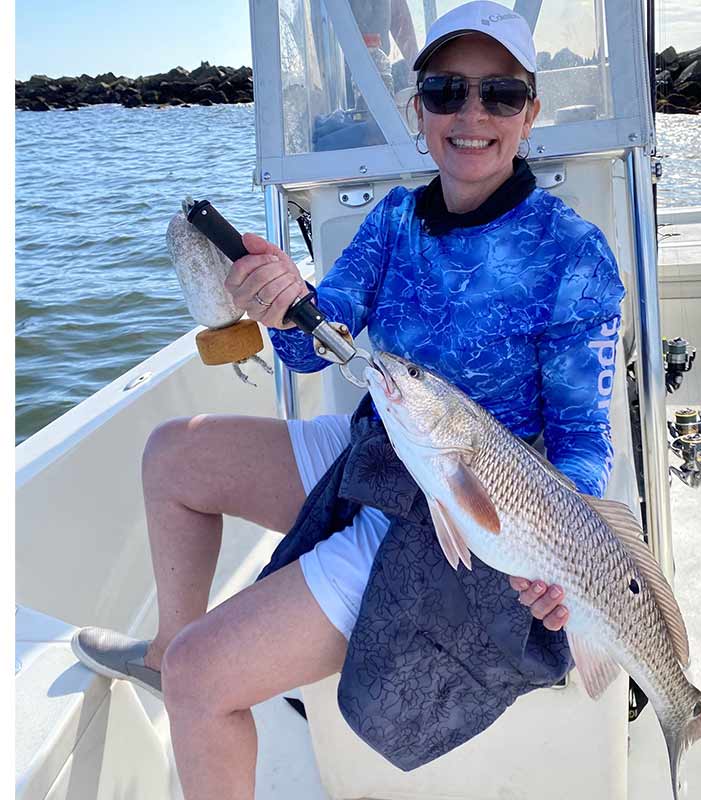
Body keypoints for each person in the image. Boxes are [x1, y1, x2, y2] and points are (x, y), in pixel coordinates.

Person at [71, 3, 624, 798]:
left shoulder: (574, 254)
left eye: (499, 94)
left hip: (467, 509)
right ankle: (163, 654)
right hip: (383, 445)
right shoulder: (396, 219)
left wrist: (559, 558)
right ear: (419, 109)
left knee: (207, 676)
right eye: (446, 91)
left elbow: (580, 443)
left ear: (531, 112)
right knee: (173, 456)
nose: (472, 115)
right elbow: (311, 340)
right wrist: (280, 301)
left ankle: (185, 677)